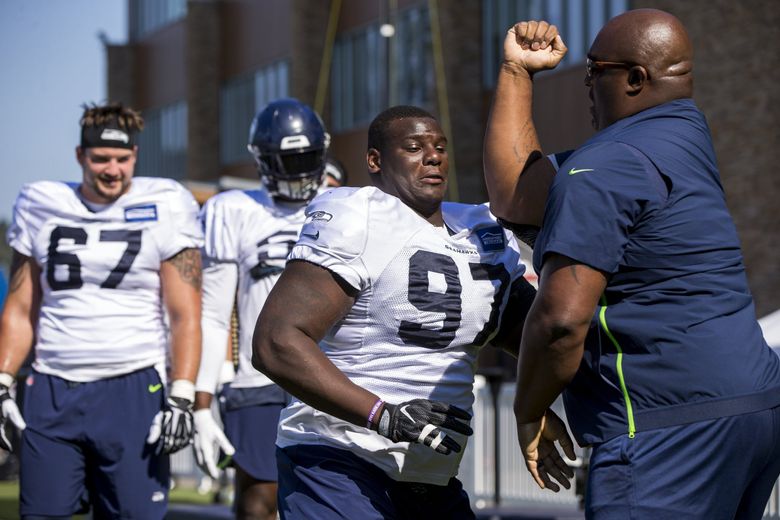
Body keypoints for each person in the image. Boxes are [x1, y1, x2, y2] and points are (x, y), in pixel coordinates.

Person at [483, 11, 780, 518]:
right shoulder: (684, 134)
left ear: (636, 79)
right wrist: (517, 73)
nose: (588, 88)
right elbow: (518, 196)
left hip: (666, 424)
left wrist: (529, 409)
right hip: (754, 411)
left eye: (594, 71)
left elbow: (560, 322)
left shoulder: (605, 165)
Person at [252, 105, 540, 519]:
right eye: (414, 147)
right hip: (338, 457)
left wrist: (540, 401)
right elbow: (275, 342)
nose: (433, 156)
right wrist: (381, 414)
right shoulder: (360, 215)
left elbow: (540, 336)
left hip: (429, 470)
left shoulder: (480, 231)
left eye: (440, 147)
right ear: (375, 161)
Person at [0, 102, 203, 518]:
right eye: (100, 158)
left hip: (133, 387)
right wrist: (2, 380)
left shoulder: (165, 202)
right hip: (53, 386)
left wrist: (182, 394)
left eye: (122, 158)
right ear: (79, 156)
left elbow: (185, 314)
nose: (112, 169)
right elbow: (20, 308)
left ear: (135, 156)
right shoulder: (40, 201)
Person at [192, 98, 332, 520]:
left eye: (305, 158)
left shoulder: (348, 205)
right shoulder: (232, 210)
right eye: (286, 160)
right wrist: (200, 403)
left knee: (332, 499)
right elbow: (213, 315)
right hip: (261, 376)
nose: (297, 171)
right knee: (259, 500)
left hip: (335, 374)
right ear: (263, 161)